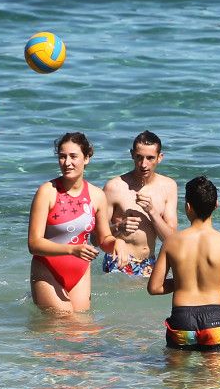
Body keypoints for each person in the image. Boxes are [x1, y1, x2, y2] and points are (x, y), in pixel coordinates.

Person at [147, 176, 220, 351]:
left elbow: (154, 288)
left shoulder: (171, 242)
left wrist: (181, 281)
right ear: (216, 204)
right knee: (213, 379)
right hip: (215, 321)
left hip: (181, 320)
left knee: (176, 378)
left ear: (188, 206)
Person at [28, 132, 116, 313]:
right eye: (62, 156)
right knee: (65, 321)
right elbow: (34, 244)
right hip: (47, 270)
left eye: (73, 156)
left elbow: (104, 239)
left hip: (80, 272)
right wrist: (72, 249)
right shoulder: (47, 192)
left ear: (87, 158)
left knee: (83, 331)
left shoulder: (97, 195)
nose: (67, 163)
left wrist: (117, 244)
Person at [101, 130, 178, 277]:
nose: (144, 164)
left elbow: (171, 240)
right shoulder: (114, 187)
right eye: (139, 157)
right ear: (132, 154)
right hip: (118, 261)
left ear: (160, 158)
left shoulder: (169, 187)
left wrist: (152, 212)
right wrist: (119, 227)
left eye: (150, 158)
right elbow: (96, 238)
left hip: (150, 263)